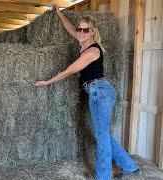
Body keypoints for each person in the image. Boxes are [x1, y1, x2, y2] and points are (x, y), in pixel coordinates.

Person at [32, 4, 139, 180]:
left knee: (100, 135)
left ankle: (103, 176)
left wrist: (47, 82)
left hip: (99, 93)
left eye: (85, 30)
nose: (80, 33)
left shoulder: (92, 51)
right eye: (79, 29)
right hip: (100, 91)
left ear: (92, 32)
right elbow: (69, 28)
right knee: (103, 133)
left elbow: (69, 71)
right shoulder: (83, 40)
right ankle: (129, 166)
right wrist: (59, 13)